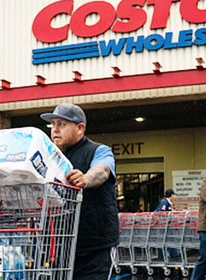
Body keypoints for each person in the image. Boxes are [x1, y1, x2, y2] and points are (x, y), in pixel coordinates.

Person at [40, 103, 118, 280]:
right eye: (53, 124)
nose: (55, 129)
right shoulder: (50, 158)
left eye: (62, 124)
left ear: (80, 128)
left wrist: (86, 179)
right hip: (60, 248)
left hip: (95, 248)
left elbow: (103, 170)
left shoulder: (98, 151)